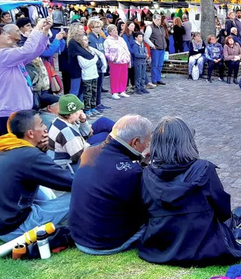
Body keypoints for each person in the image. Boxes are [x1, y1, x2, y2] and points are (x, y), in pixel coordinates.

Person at [139, 117, 241, 266]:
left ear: (156, 144)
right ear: (187, 142)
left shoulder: (147, 174)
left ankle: (239, 226)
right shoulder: (204, 169)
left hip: (161, 248)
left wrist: (143, 162)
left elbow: (144, 212)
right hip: (202, 248)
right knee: (222, 216)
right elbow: (223, 212)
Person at [69, 115, 152, 255]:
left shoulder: (89, 152)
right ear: (135, 142)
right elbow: (145, 208)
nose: (147, 146)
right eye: (147, 143)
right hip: (106, 243)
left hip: (79, 236)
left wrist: (141, 162)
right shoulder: (131, 172)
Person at [0, 110, 73, 242]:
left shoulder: (6, 146)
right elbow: (70, 182)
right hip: (15, 227)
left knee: (38, 186)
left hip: (4, 219)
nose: (45, 128)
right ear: (30, 133)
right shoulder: (30, 156)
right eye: (41, 124)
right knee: (82, 193)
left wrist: (39, 151)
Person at [0, 18, 52, 135]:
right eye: (3, 33)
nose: (7, 35)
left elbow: (35, 51)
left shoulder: (10, 56)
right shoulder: (2, 55)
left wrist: (44, 32)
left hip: (19, 111)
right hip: (8, 114)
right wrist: (37, 28)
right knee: (13, 149)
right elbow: (27, 50)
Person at [77, 35, 106, 118]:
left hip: (94, 74)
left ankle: (93, 108)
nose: (87, 41)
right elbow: (84, 65)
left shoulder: (90, 49)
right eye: (84, 40)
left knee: (94, 92)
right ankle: (87, 109)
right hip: (87, 75)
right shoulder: (80, 53)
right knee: (87, 94)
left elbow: (100, 54)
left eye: (87, 39)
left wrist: (103, 64)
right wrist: (94, 60)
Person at [87, 19, 111, 110]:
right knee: (95, 86)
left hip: (102, 63)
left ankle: (98, 102)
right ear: (92, 28)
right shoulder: (90, 38)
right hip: (96, 64)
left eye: (100, 27)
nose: (99, 28)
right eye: (97, 27)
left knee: (99, 85)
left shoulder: (100, 37)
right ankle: (94, 104)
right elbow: (92, 52)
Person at [104, 24, 131, 100]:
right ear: (109, 32)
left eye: (116, 30)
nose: (116, 32)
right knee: (115, 76)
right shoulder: (107, 41)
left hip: (124, 60)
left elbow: (126, 48)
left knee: (123, 76)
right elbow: (106, 52)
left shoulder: (121, 39)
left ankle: (122, 90)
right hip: (115, 62)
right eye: (113, 30)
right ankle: (114, 91)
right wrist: (112, 59)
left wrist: (128, 58)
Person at [143, 14, 167, 86]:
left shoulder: (162, 27)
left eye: (160, 19)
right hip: (155, 49)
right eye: (157, 19)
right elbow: (146, 38)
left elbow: (164, 36)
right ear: (153, 19)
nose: (159, 21)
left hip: (162, 48)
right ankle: (154, 80)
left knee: (160, 65)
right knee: (155, 65)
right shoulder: (150, 27)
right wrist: (152, 45)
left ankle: (158, 79)